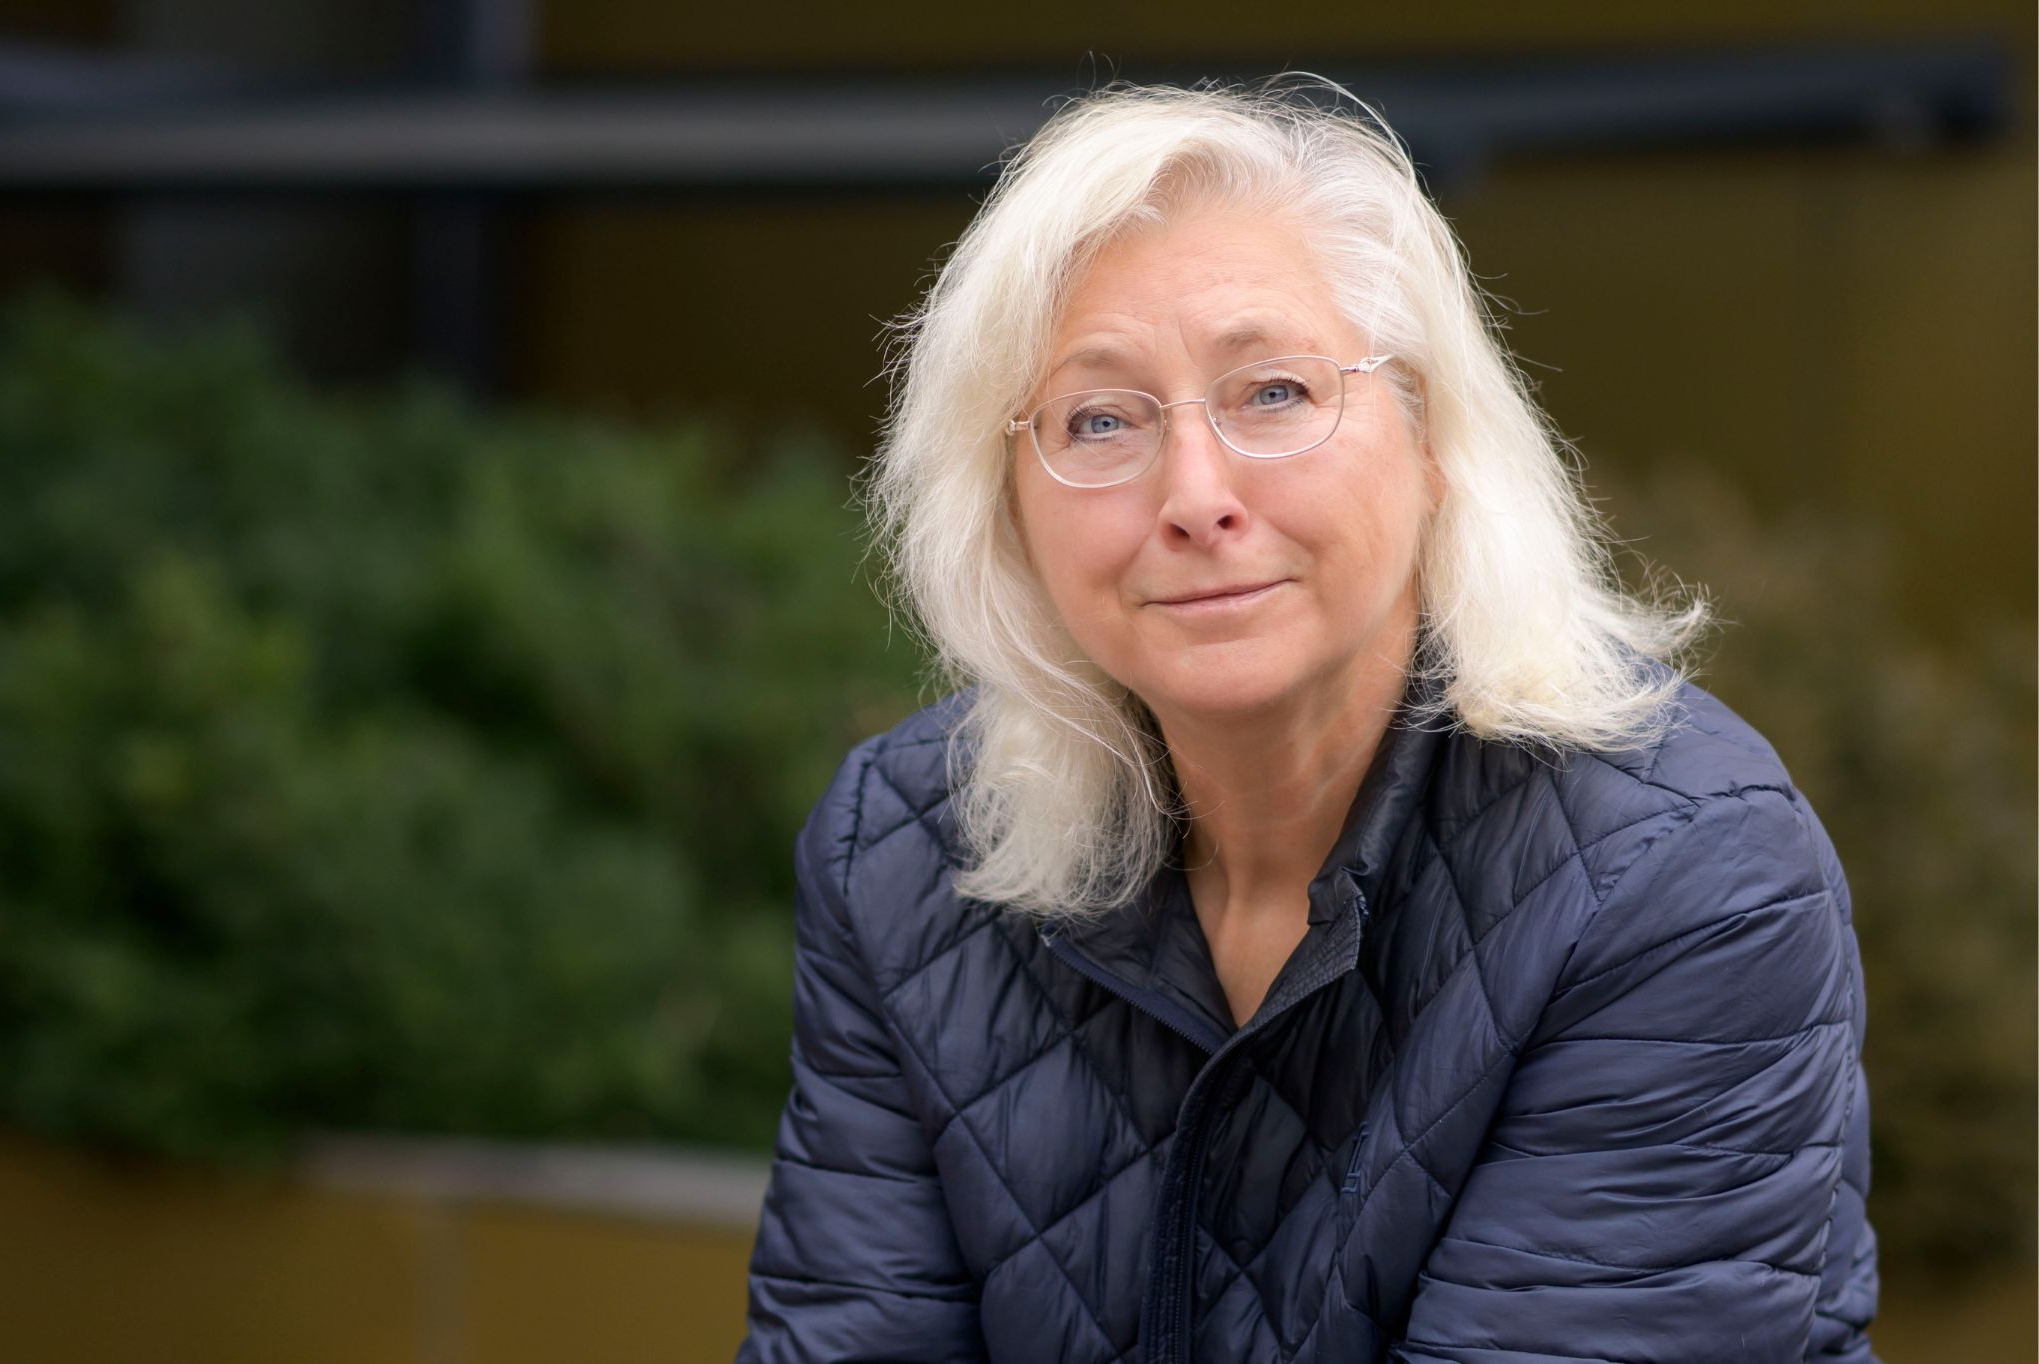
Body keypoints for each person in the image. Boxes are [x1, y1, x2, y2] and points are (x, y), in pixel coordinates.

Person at [735, 80, 1877, 1363]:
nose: (1193, 494)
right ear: (999, 498)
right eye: (1099, 419)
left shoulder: (1677, 869)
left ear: (1431, 432)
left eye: (1271, 391)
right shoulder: (902, 849)